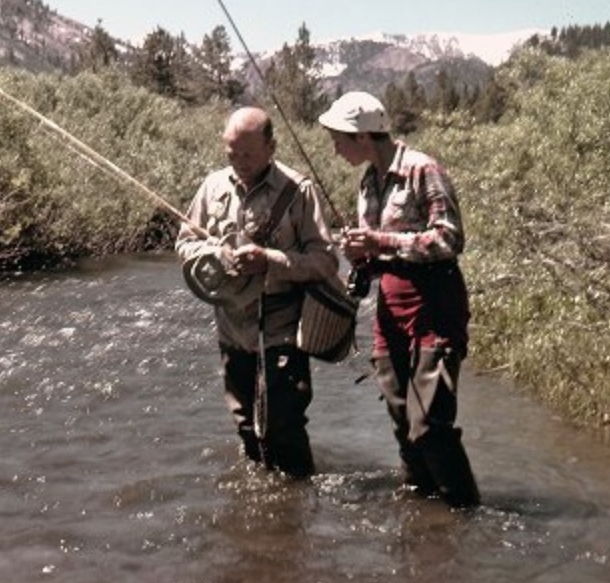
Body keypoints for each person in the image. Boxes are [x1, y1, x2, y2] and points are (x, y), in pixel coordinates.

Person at [318, 90, 481, 508]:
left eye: (338, 138)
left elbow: (450, 237)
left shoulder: (422, 169)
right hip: (390, 312)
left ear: (362, 136)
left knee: (429, 425)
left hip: (435, 310)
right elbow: (380, 254)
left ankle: (464, 516)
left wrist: (379, 240)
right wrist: (361, 256)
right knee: (402, 424)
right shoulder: (368, 181)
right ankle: (423, 516)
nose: (335, 148)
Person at [175, 105, 337, 476]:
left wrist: (270, 260)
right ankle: (264, 507)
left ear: (271, 147)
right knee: (245, 424)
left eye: (247, 154)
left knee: (285, 426)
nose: (239, 162)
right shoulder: (212, 186)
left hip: (284, 328)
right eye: (232, 153)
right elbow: (184, 243)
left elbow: (325, 261)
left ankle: (295, 505)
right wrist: (214, 255)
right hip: (232, 327)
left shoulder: (299, 191)